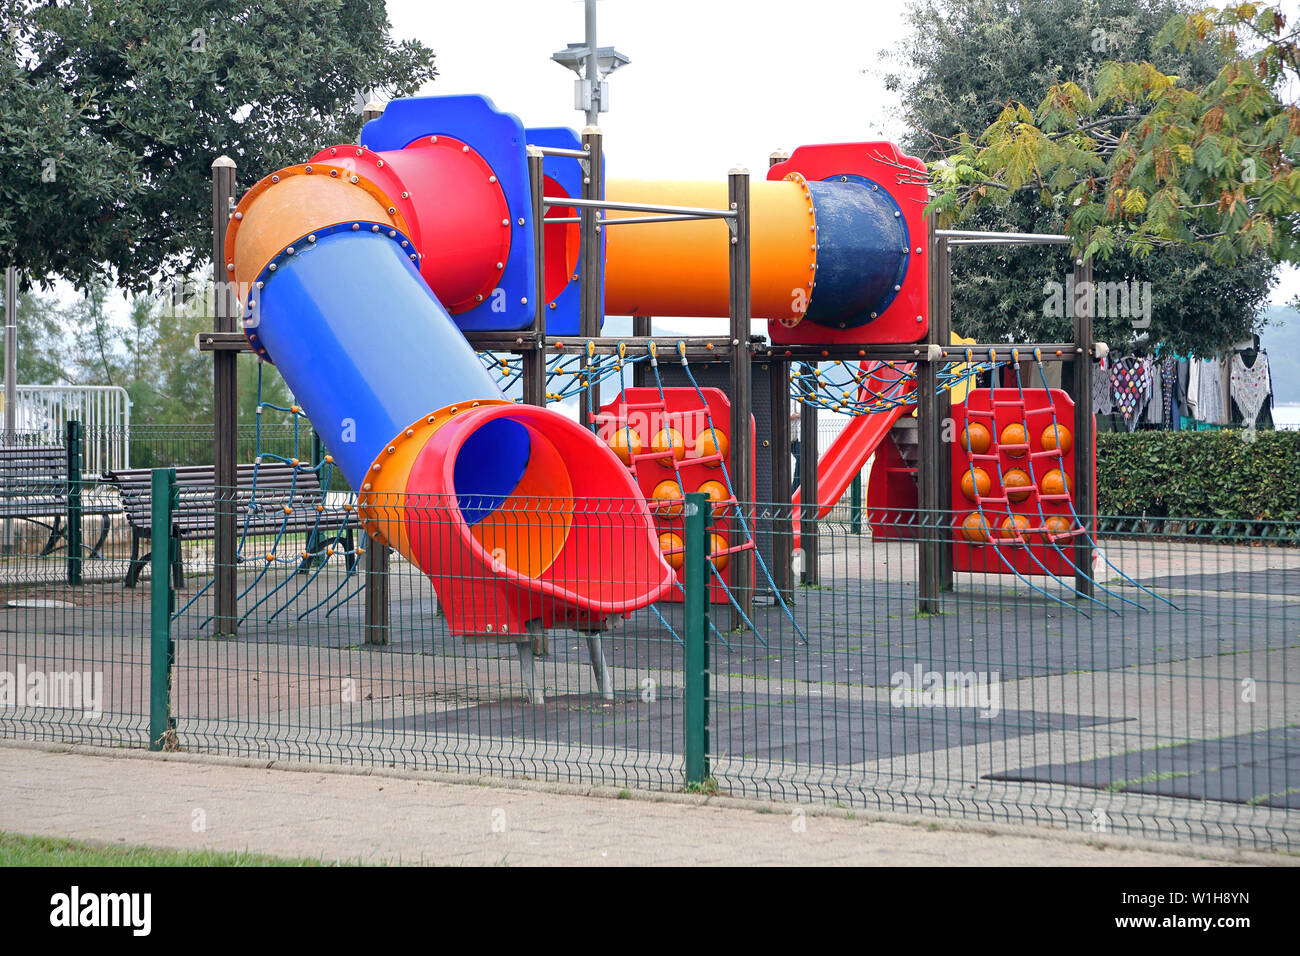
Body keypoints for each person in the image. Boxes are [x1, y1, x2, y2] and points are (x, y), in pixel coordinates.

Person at [790, 404, 801, 492]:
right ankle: (795, 487)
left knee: (801, 458)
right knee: (800, 458)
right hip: (788, 437)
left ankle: (796, 487)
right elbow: (791, 415)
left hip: (795, 438)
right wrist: (797, 415)